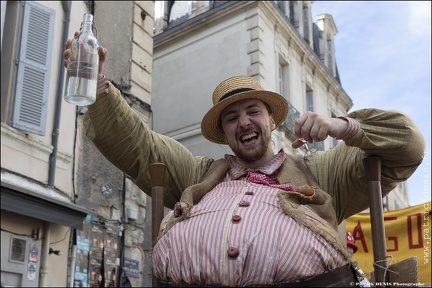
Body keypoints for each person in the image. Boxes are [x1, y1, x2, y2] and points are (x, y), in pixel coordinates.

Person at [64, 36, 425, 287]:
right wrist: (97, 86)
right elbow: (139, 145)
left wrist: (343, 126)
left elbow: (407, 145)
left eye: (253, 111)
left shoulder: (322, 173)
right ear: (224, 132)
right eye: (231, 118)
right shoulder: (198, 175)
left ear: (272, 121)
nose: (244, 122)